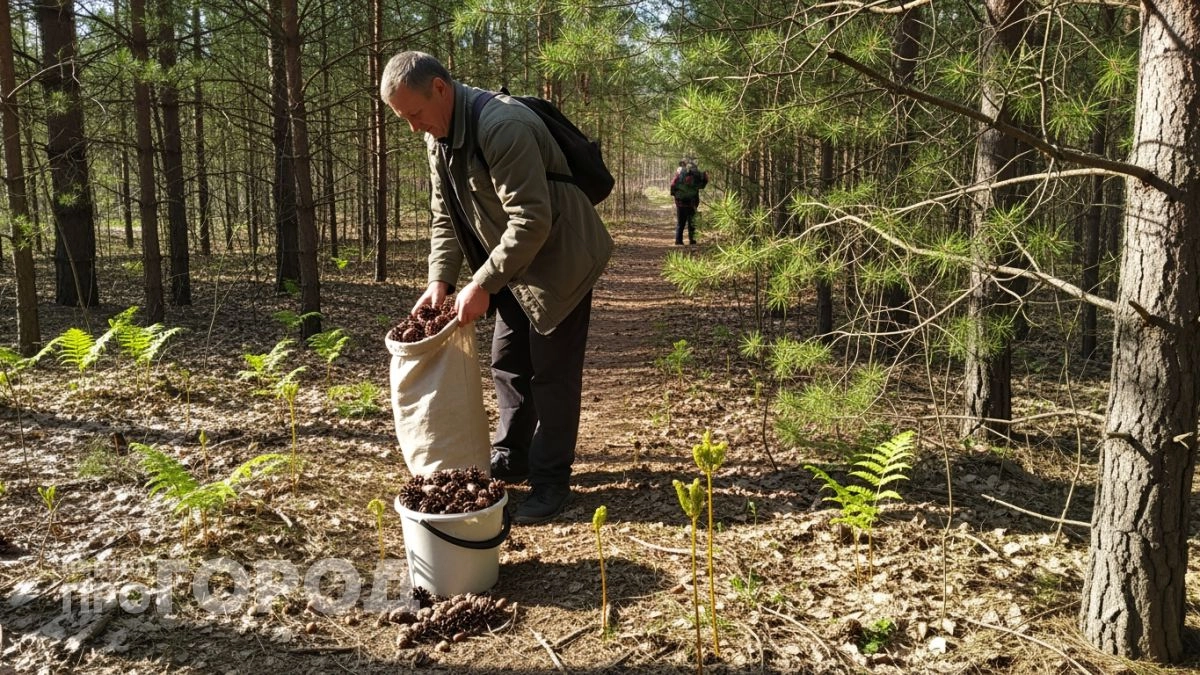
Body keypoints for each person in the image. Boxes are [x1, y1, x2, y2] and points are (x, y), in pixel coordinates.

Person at [379, 51, 613, 525]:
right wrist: (440, 280)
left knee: (552, 372)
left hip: (560, 261)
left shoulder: (501, 126)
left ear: (440, 89)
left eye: (415, 114)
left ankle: (550, 481)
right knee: (508, 363)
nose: (413, 127)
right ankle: (515, 454)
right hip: (511, 264)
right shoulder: (438, 138)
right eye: (403, 118)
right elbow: (445, 216)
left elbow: (532, 218)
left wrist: (482, 282)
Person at [669, 159, 708, 245]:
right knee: (692, 223)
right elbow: (704, 183)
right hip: (693, 202)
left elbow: (672, 185)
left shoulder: (679, 174)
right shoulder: (697, 175)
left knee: (680, 223)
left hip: (680, 203)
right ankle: (693, 241)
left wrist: (674, 194)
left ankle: (678, 241)